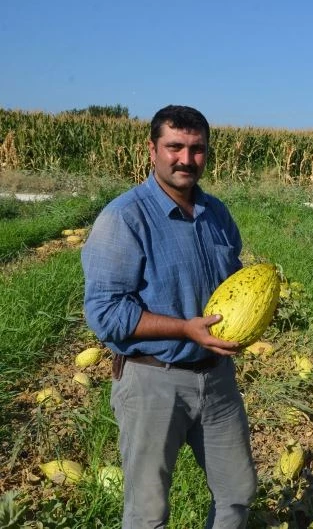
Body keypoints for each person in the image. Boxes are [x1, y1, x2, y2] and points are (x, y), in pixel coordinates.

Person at [82, 105, 257, 528]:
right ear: (152, 150)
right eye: (174, 146)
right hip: (152, 379)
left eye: (197, 149)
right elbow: (105, 313)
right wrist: (185, 328)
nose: (186, 159)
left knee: (237, 491)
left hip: (216, 377)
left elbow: (231, 287)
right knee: (148, 509)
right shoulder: (125, 217)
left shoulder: (217, 214)